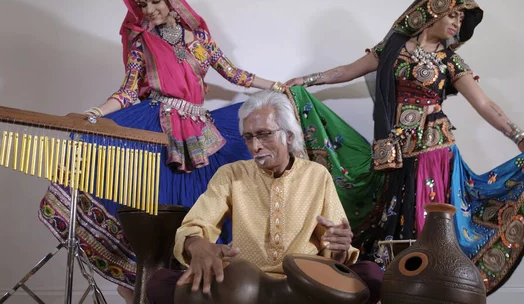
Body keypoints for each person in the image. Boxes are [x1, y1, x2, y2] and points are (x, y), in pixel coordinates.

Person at [284, 0, 524, 295]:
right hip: (394, 154)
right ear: (433, 9)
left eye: (461, 18)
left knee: (427, 221)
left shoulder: (450, 60)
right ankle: (394, 291)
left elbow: (484, 105)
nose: (457, 23)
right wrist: (306, 80)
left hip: (434, 153)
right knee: (390, 220)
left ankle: (432, 290)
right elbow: (347, 71)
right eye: (453, 14)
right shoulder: (391, 49)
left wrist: (519, 137)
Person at [37, 0, 285, 302]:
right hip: (158, 128)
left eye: (156, 1)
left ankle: (196, 288)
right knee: (152, 208)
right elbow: (128, 91)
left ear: (172, 1)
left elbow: (236, 75)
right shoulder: (143, 42)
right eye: (143, 5)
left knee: (206, 203)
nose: (150, 10)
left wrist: (278, 87)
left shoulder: (201, 41)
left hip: (199, 134)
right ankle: (141, 287)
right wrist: (96, 113)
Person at [145, 90, 384, 304]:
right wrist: (196, 243)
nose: (255, 146)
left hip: (301, 281)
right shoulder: (231, 174)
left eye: (264, 134)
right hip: (244, 282)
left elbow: (336, 253)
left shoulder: (317, 175)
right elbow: (198, 223)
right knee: (161, 282)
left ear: (289, 135)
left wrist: (339, 248)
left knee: (371, 275)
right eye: (249, 137)